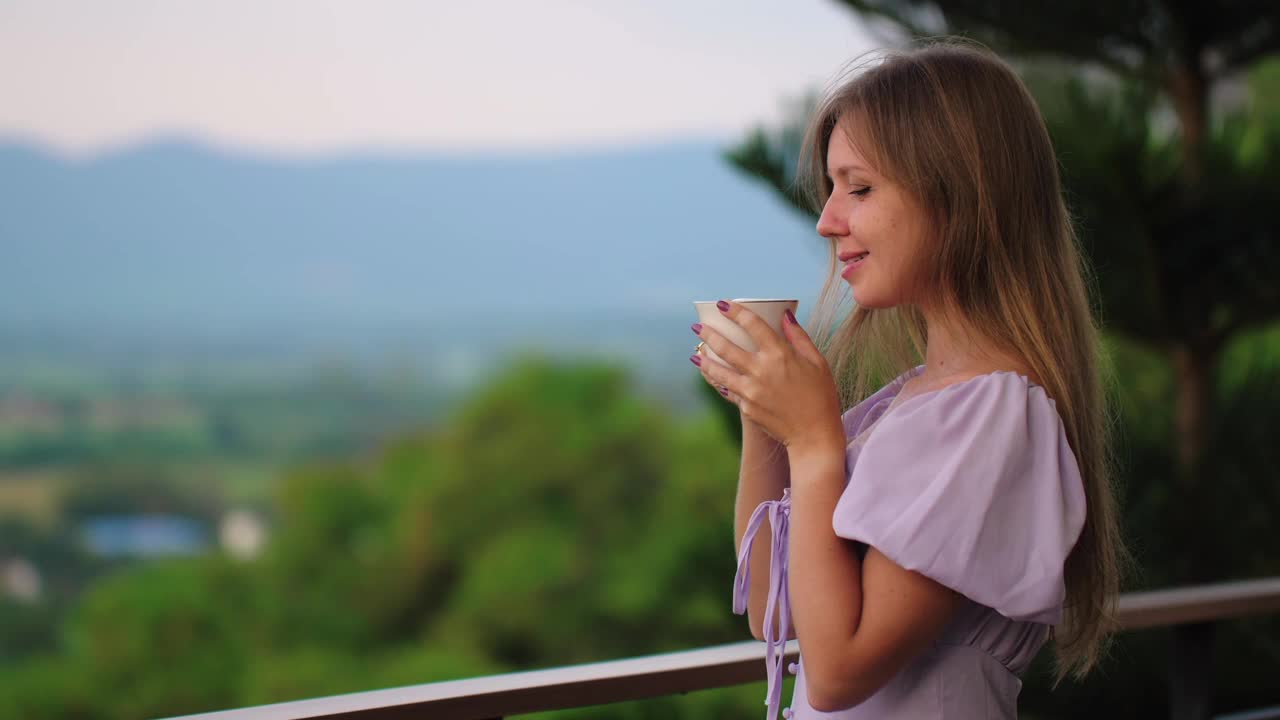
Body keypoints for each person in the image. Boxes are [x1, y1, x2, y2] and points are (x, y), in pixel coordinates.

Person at [688, 39, 1129, 718]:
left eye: (859, 188)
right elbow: (775, 611)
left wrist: (811, 443)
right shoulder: (913, 403)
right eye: (832, 188)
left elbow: (837, 674)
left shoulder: (992, 415)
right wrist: (763, 413)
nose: (828, 221)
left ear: (960, 194)